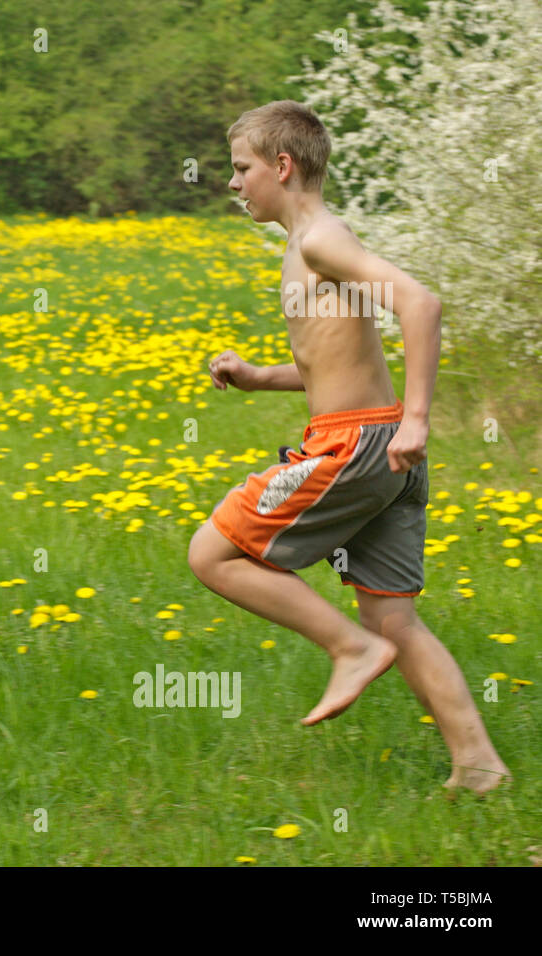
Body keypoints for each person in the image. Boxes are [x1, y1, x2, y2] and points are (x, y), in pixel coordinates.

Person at [189, 101, 509, 794]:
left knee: (209, 552)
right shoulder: (309, 242)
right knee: (393, 611)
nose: (233, 183)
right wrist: (255, 378)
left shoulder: (320, 242)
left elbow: (420, 305)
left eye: (241, 168)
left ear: (282, 166)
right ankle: (478, 765)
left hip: (358, 446)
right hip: (379, 443)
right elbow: (330, 368)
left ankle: (350, 649)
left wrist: (419, 419)